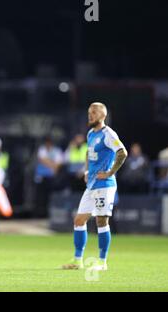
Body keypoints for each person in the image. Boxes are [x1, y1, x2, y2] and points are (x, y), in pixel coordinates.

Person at [62, 102, 127, 271]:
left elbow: (122, 152)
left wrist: (110, 172)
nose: (90, 115)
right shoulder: (91, 133)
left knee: (101, 221)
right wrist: (86, 171)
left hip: (104, 185)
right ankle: (77, 260)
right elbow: (87, 153)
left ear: (103, 115)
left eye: (94, 112)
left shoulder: (108, 134)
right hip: (91, 184)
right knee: (79, 220)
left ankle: (102, 262)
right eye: (89, 112)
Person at [34, 135, 64, 217]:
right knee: (41, 196)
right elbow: (42, 160)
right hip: (41, 177)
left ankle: (49, 213)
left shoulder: (57, 151)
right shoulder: (42, 149)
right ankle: (40, 214)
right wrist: (52, 165)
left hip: (51, 177)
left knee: (50, 196)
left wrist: (50, 164)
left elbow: (59, 163)